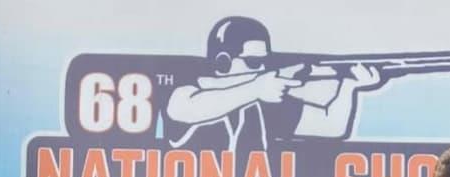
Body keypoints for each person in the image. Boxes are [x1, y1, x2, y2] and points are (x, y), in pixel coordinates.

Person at [164, 16, 382, 152]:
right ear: (223, 62)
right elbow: (184, 109)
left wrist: (349, 87)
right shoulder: (189, 91)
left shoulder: (262, 102)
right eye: (253, 62)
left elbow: (331, 126)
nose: (261, 68)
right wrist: (256, 89)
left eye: (264, 62)